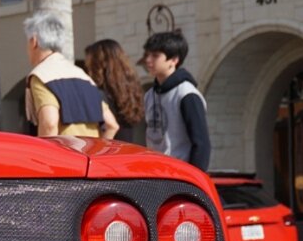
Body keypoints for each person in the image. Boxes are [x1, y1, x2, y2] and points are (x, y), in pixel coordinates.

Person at [23, 12, 118, 140]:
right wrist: (99, 152)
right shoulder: (83, 76)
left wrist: (47, 158)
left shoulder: (42, 75)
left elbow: (49, 124)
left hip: (62, 156)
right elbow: (112, 125)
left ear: (34, 41)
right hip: (88, 156)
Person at [141, 31, 211, 171]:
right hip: (155, 172)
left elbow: (201, 144)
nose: (148, 60)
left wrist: (193, 180)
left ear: (174, 60)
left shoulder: (187, 94)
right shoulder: (150, 94)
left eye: (155, 56)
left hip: (179, 174)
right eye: (147, 55)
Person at [84, 39, 144, 136]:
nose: (87, 65)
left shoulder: (99, 94)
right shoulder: (133, 89)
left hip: (112, 147)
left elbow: (111, 126)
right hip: (132, 146)